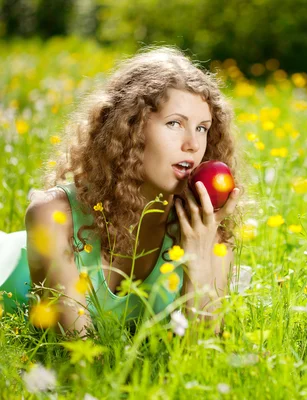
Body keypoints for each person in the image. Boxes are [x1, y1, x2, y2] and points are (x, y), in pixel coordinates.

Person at [0, 46, 246, 337]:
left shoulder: (208, 232)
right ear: (130, 129)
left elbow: (204, 358)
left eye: (202, 128)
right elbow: (75, 353)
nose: (192, 144)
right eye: (174, 123)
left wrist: (199, 261)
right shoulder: (53, 215)